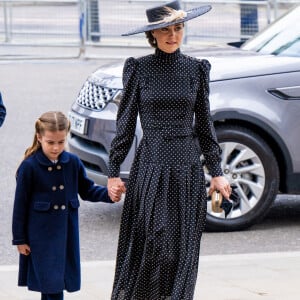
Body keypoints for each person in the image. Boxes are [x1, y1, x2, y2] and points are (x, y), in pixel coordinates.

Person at [107, 1, 232, 299]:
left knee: (180, 250)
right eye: (166, 29)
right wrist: (113, 172)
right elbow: (124, 124)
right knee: (154, 242)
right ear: (153, 35)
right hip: (150, 167)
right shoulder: (138, 68)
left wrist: (217, 173)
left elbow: (204, 123)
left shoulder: (196, 69)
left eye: (178, 28)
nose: (173, 35)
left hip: (187, 169)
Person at [12, 111, 122, 300]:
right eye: (50, 142)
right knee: (51, 285)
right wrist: (20, 240)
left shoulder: (72, 163)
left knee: (55, 285)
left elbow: (88, 191)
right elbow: (19, 207)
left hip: (65, 236)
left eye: (61, 142)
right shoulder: (29, 167)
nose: (56, 147)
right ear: (39, 137)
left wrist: (110, 195)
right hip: (40, 238)